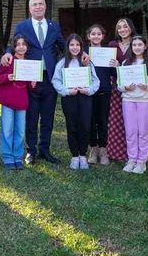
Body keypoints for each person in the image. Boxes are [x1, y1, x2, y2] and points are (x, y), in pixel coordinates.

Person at [1, 0, 66, 164]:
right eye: (34, 5)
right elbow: (13, 43)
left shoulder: (54, 26)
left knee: (47, 117)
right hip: (30, 79)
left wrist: (80, 56)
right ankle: (31, 151)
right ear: (30, 9)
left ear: (45, 6)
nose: (38, 7)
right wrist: (8, 52)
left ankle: (45, 149)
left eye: (41, 4)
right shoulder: (23, 25)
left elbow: (64, 46)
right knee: (31, 116)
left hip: (50, 79)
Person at [52, 34, 100, 170]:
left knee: (85, 126)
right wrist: (67, 91)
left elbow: (96, 80)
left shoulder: (86, 62)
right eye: (72, 45)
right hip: (69, 98)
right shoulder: (62, 63)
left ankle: (83, 155)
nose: (75, 47)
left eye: (77, 45)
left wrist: (88, 90)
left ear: (81, 46)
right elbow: (56, 80)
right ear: (67, 47)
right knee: (72, 126)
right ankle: (74, 155)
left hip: (85, 97)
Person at [117, 36, 148, 174]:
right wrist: (125, 87)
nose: (137, 47)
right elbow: (119, 84)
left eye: (140, 44)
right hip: (128, 100)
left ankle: (141, 161)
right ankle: (131, 159)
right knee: (130, 131)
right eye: (134, 45)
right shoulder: (125, 63)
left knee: (143, 131)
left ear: (145, 46)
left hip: (145, 100)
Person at [0, 35, 35, 170]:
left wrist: (33, 83)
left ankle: (17, 156)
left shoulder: (29, 63)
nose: (21, 47)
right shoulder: (8, 60)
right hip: (8, 100)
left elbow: (29, 84)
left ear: (27, 47)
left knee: (20, 130)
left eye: (24, 44)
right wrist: (8, 77)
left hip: (22, 100)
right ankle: (7, 157)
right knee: (7, 129)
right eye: (18, 44)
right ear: (14, 47)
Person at [105, 18, 135, 163]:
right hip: (115, 84)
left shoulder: (137, 43)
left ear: (131, 28)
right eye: (119, 27)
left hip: (133, 86)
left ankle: (132, 153)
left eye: (125, 26)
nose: (122, 29)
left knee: (130, 120)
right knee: (116, 120)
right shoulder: (112, 45)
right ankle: (115, 152)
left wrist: (120, 66)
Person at [85, 24, 112, 165]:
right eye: (93, 34)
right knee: (90, 121)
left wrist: (116, 65)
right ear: (88, 36)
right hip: (88, 92)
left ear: (103, 36)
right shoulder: (83, 52)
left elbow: (113, 74)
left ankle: (103, 149)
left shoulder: (108, 53)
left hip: (104, 91)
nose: (96, 36)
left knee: (102, 121)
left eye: (99, 34)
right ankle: (93, 149)